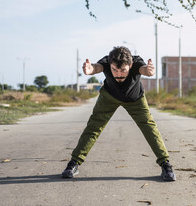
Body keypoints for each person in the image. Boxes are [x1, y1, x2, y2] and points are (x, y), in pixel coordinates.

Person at [61, 46, 176, 181]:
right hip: (109, 97)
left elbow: (144, 70)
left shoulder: (137, 62)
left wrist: (149, 72)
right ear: (110, 65)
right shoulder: (106, 61)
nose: (118, 74)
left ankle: (165, 165)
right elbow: (96, 67)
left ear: (130, 65)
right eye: (114, 70)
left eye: (123, 70)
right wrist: (90, 69)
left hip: (135, 100)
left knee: (149, 128)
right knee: (93, 127)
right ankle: (73, 163)